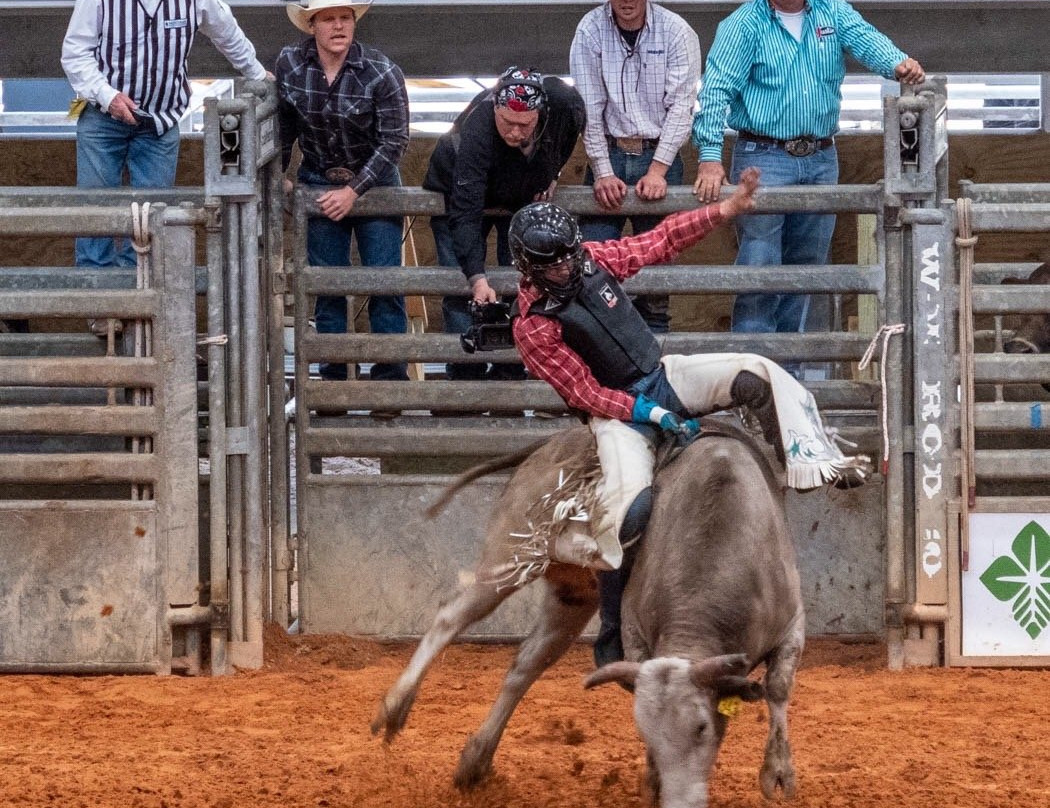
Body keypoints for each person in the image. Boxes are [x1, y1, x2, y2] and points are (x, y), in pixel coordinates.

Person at [509, 168, 872, 665]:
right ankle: (614, 626)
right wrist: (650, 412)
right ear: (531, 268)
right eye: (558, 265)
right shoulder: (533, 327)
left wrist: (725, 210)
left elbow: (657, 242)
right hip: (618, 417)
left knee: (756, 372)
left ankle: (808, 463)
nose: (571, 267)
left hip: (661, 372)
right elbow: (586, 393)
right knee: (625, 515)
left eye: (574, 255)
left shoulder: (589, 260)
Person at [692, 0, 924, 358]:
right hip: (764, 154)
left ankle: (788, 380)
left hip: (819, 155)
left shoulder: (832, 11)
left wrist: (897, 63)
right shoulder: (743, 23)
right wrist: (709, 154)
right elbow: (716, 89)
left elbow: (866, 39)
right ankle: (752, 381)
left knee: (807, 271)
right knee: (759, 266)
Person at [61, 0, 267, 335]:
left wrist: (257, 74)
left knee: (153, 215)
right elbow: (74, 52)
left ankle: (136, 304)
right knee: (96, 208)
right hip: (103, 116)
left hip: (160, 122)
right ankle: (99, 302)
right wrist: (107, 95)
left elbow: (226, 31)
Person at [277, 0, 410, 390]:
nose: (339, 26)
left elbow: (394, 141)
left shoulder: (382, 71)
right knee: (325, 285)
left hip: (376, 183)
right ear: (311, 25)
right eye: (329, 18)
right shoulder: (290, 65)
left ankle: (389, 385)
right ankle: (332, 386)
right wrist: (279, 176)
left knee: (385, 283)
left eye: (345, 18)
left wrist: (354, 191)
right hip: (318, 177)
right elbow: (283, 125)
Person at [422, 67, 585, 385]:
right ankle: (465, 381)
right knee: (462, 287)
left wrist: (552, 172)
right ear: (495, 107)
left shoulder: (565, 106)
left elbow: (569, 135)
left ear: (540, 113)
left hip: (518, 193)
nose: (515, 132)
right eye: (507, 122)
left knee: (522, 283)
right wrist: (477, 278)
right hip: (463, 191)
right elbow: (465, 213)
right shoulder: (478, 129)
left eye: (524, 125)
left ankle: (510, 374)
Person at [569, 0, 702, 334]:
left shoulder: (676, 31)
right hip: (610, 151)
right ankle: (600, 361)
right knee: (591, 265)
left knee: (656, 272)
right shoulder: (590, 29)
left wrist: (658, 168)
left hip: (659, 153)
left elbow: (682, 104)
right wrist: (601, 169)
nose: (626, 1)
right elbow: (589, 104)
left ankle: (653, 363)